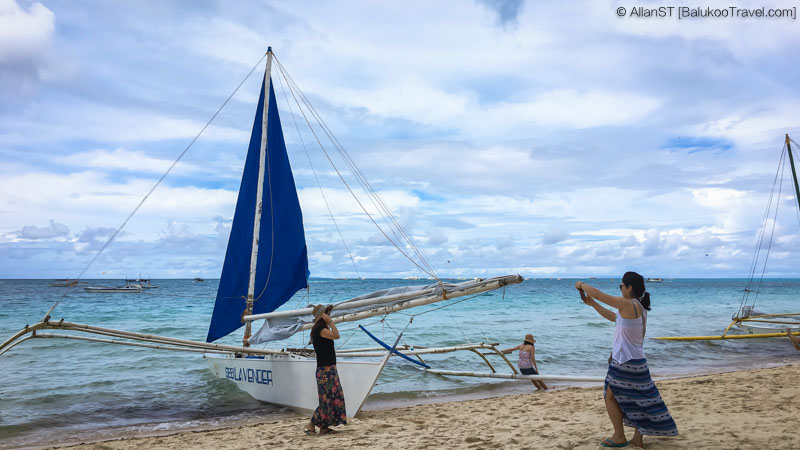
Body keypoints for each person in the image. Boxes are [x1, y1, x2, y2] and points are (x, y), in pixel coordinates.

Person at [576, 272, 678, 448]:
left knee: (610, 396)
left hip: (625, 362)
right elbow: (615, 319)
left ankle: (619, 436)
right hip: (637, 361)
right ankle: (637, 439)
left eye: (621, 286)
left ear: (629, 288)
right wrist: (593, 305)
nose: (620, 289)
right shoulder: (639, 307)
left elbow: (600, 295)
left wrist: (581, 284)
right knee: (639, 399)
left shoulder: (627, 303)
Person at [304, 304, 347, 436]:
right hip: (325, 370)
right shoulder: (320, 329)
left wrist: (328, 323)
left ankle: (324, 428)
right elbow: (336, 335)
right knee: (326, 400)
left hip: (329, 368)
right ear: (322, 316)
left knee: (332, 397)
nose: (329, 315)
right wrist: (331, 322)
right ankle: (311, 424)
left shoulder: (321, 328)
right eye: (327, 313)